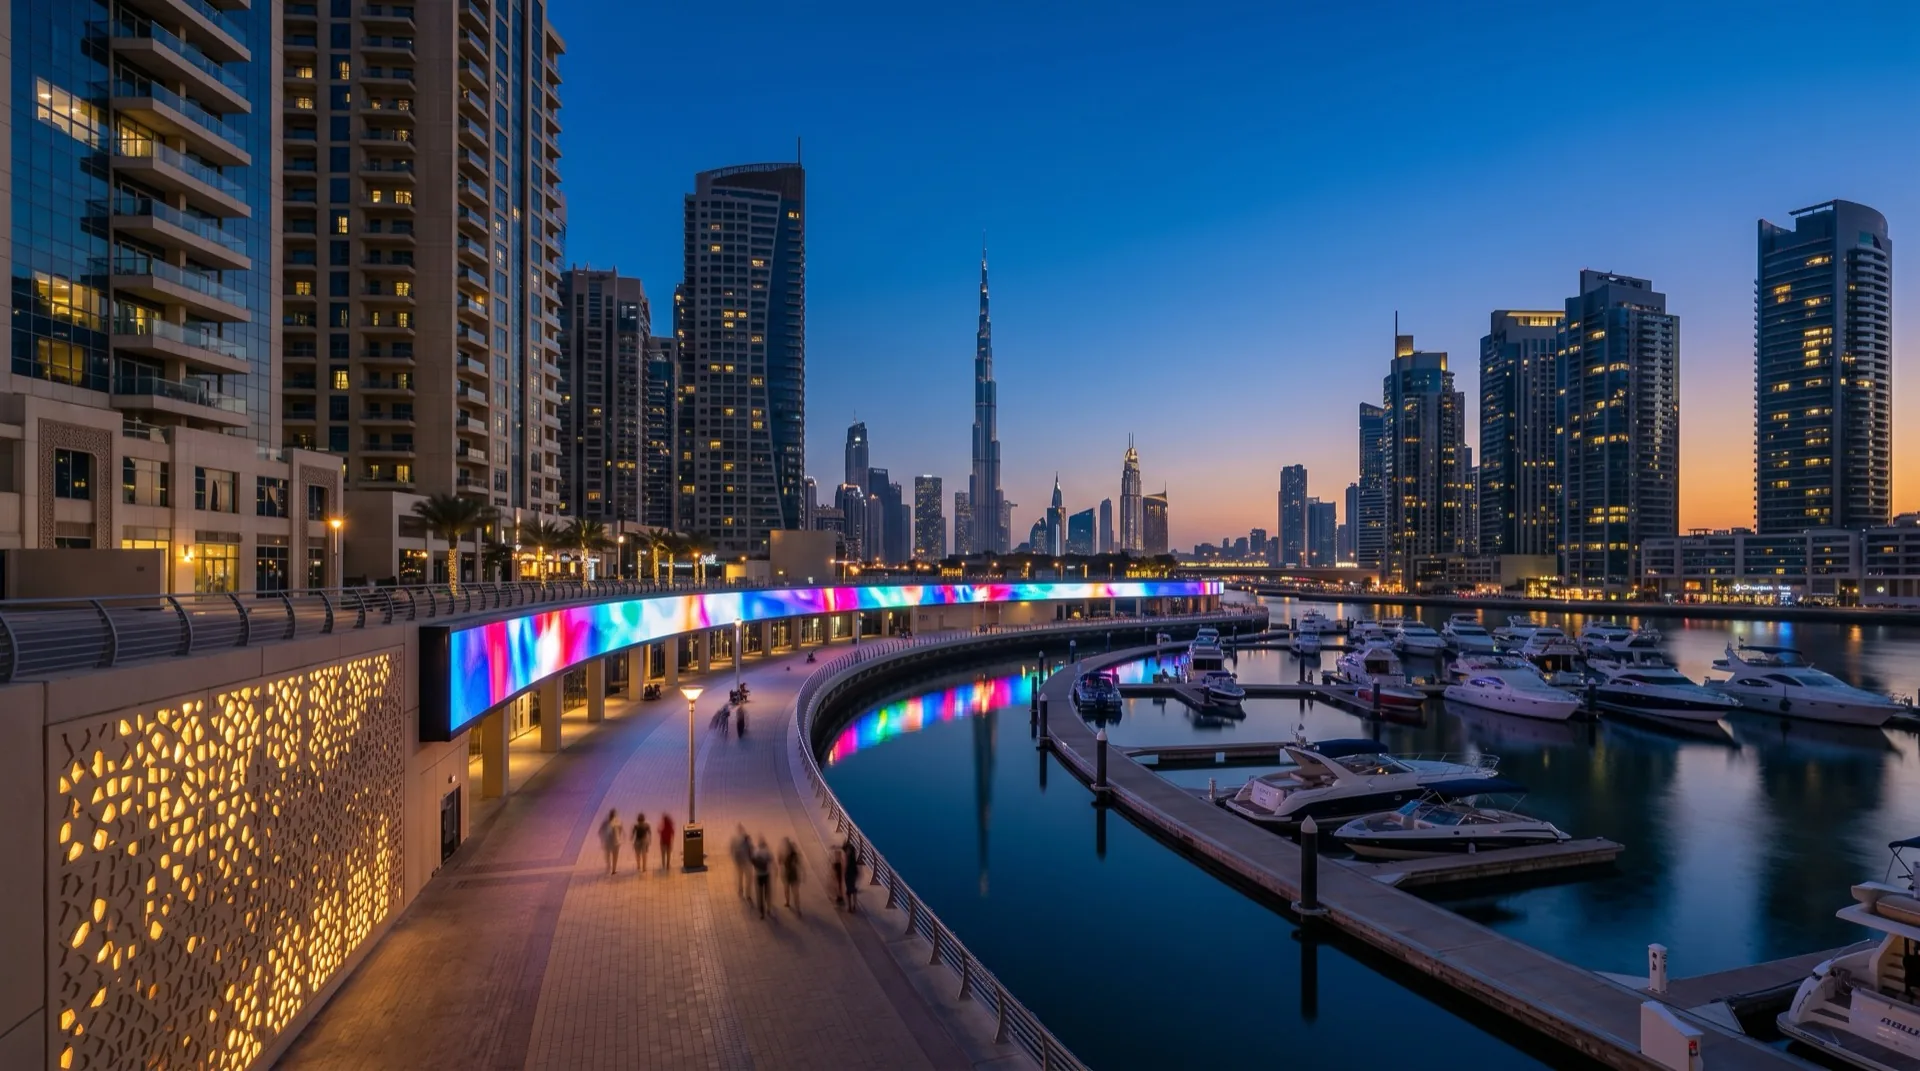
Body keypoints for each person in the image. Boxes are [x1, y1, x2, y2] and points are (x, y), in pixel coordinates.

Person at [779, 838, 803, 914]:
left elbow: (798, 862)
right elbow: (780, 862)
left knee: (794, 892)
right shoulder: (784, 853)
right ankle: (788, 902)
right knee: (788, 890)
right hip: (788, 874)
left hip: (792, 874)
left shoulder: (793, 854)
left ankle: (797, 907)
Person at [751, 837, 773, 919]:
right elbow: (771, 860)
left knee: (760, 894)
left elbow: (752, 861)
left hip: (758, 875)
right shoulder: (767, 851)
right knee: (767, 892)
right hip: (766, 874)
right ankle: (769, 909)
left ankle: (762, 913)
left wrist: (756, 868)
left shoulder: (755, 851)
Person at [600, 809, 623, 876]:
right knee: (615, 856)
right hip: (616, 842)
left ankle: (608, 867)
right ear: (615, 815)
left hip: (607, 842)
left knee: (608, 855)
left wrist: (602, 839)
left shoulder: (605, 822)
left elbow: (600, 831)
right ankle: (614, 870)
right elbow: (620, 830)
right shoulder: (618, 821)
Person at [732, 825, 753, 900]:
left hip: (740, 864)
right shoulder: (747, 843)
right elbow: (751, 852)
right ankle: (747, 894)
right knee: (748, 879)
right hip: (745, 864)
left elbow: (733, 852)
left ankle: (741, 891)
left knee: (740, 877)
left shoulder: (737, 842)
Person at [841, 839, 861, 913]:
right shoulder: (853, 854)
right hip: (854, 873)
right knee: (853, 888)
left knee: (848, 890)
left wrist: (844, 872)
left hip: (848, 873)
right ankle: (854, 905)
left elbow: (846, 866)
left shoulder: (848, 856)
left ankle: (849, 907)